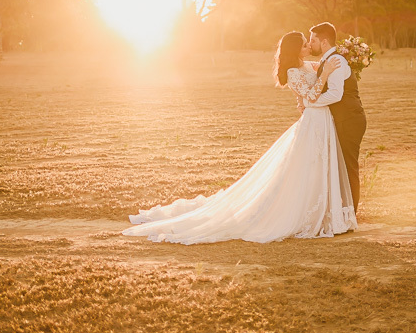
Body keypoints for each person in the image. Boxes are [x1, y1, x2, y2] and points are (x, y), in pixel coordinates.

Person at [122, 31, 357, 244]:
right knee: (305, 168)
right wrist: (324, 75)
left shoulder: (306, 65)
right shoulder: (293, 73)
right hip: (313, 121)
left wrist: (347, 58)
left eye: (309, 43)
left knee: (317, 168)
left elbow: (327, 62)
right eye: (305, 44)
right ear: (296, 49)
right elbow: (311, 97)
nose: (308, 46)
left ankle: (324, 212)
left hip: (323, 121)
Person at [304, 22, 367, 212]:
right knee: (340, 167)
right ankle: (342, 211)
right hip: (343, 119)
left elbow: (335, 94)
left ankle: (350, 214)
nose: (310, 44)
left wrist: (310, 103)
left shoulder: (337, 62)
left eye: (313, 40)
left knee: (348, 167)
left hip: (349, 120)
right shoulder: (327, 60)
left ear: (323, 42)